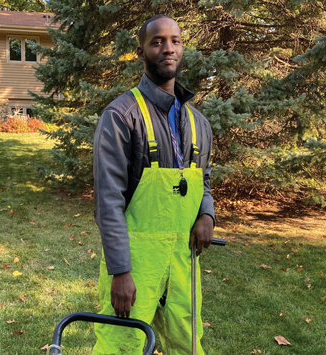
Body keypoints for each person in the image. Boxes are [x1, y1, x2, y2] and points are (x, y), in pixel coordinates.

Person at [93, 14, 215, 355]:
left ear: (182, 48)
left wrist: (207, 214)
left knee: (187, 344)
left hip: (182, 261)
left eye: (175, 41)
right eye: (157, 41)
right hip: (136, 262)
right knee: (121, 344)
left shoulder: (198, 122)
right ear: (142, 51)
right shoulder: (121, 115)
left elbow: (202, 179)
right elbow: (108, 199)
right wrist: (120, 271)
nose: (167, 48)